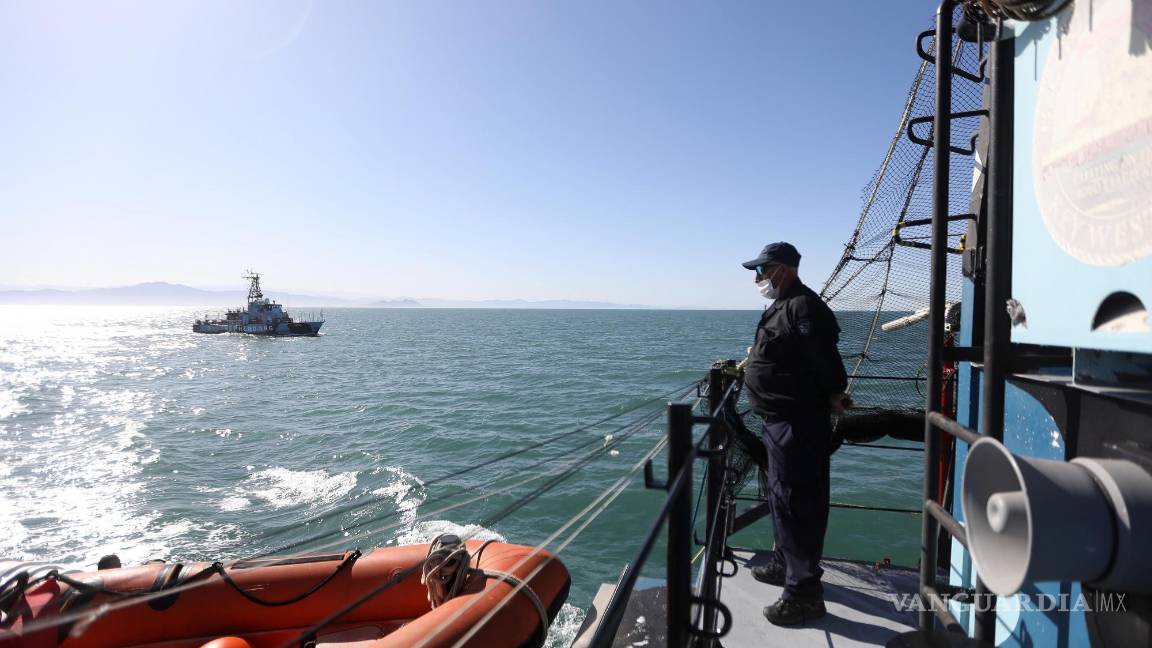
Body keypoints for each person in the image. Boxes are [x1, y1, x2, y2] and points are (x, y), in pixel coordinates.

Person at [740, 241, 847, 626]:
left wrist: (834, 394)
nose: (757, 278)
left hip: (797, 424)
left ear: (782, 269)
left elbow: (827, 364)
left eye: (761, 270)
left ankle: (803, 596)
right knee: (782, 498)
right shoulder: (783, 306)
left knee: (797, 504)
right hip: (780, 422)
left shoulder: (803, 307)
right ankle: (786, 563)